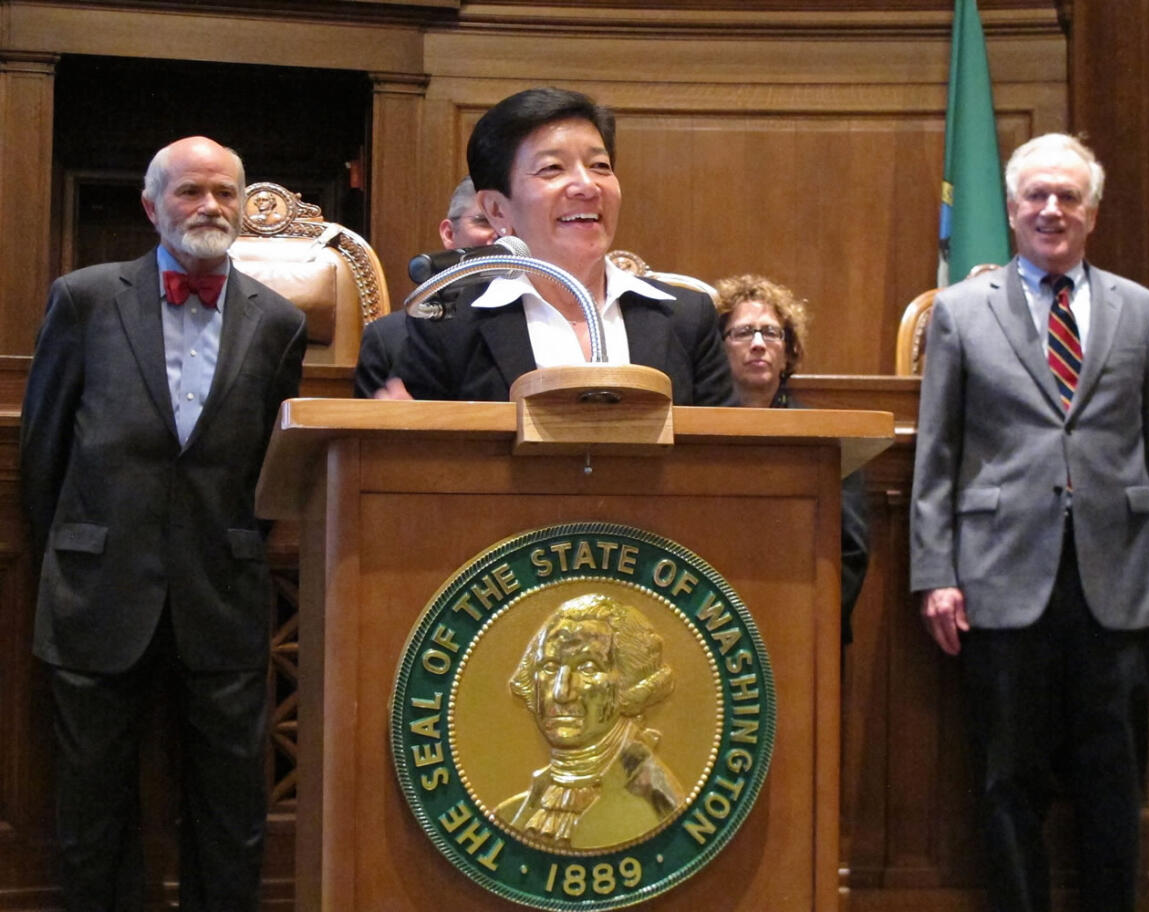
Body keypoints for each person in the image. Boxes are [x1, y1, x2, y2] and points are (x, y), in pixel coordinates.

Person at [909, 133, 1149, 911]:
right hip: (999, 578)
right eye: (1036, 195)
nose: (1050, 209)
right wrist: (935, 574)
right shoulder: (963, 312)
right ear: (1010, 209)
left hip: (1120, 577)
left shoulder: (1141, 310)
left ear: (1092, 213)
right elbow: (936, 454)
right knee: (1008, 779)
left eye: (1068, 196)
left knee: (1113, 779)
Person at [20, 136, 308, 912]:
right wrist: (73, 551)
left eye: (224, 193)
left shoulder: (280, 322)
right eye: (189, 192)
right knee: (93, 809)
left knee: (230, 811)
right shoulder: (83, 298)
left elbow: (273, 469)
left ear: (244, 208)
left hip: (223, 592)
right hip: (95, 591)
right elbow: (41, 452)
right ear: (153, 207)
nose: (208, 206)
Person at [356, 86, 735, 406]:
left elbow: (726, 462)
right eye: (552, 169)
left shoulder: (688, 317)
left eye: (600, 166)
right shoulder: (450, 327)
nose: (587, 186)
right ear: (496, 209)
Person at [714, 274, 870, 643]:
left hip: (805, 628)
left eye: (770, 333)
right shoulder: (696, 433)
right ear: (717, 348)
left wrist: (808, 616)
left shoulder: (822, 439)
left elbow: (850, 550)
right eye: (742, 333)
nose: (757, 344)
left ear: (789, 352)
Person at [495, 593, 683, 849]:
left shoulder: (661, 809)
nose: (562, 693)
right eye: (549, 667)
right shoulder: (509, 815)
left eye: (588, 668)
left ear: (629, 683)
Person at [354, 176, 497, 395]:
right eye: (484, 221)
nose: (501, 235)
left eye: (512, 225)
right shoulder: (387, 339)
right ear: (449, 234)